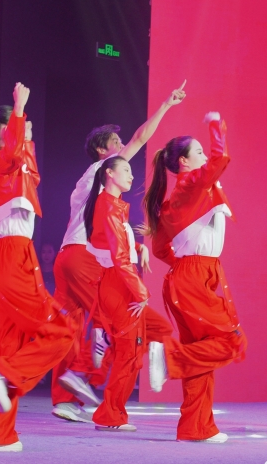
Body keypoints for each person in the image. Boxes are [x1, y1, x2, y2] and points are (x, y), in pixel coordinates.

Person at [50, 82, 186, 423]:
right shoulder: (103, 171)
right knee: (114, 321)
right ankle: (83, 375)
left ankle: (65, 400)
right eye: (115, 143)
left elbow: (106, 229)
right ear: (103, 152)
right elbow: (140, 137)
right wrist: (166, 106)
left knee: (68, 330)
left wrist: (136, 245)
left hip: (67, 258)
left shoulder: (90, 184)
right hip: (85, 258)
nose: (123, 147)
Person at [0, 83, 74, 452]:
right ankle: (3, 374)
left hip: (11, 260)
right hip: (14, 259)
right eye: (22, 124)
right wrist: (18, 107)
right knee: (62, 331)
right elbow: (15, 150)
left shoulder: (16, 163)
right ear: (4, 131)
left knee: (11, 346)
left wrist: (20, 126)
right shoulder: (1, 161)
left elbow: (23, 154)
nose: (28, 128)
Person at [144, 112, 246, 444]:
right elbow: (221, 159)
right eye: (198, 152)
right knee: (231, 342)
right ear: (184, 162)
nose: (205, 157)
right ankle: (169, 357)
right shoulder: (191, 184)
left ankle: (195, 427)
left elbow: (160, 248)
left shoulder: (182, 195)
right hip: (193, 276)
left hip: (189, 275)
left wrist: (184, 265)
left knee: (201, 354)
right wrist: (216, 125)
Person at [82, 156, 174, 431]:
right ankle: (110, 416)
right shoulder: (109, 207)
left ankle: (150, 360)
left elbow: (114, 244)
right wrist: (141, 291)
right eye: (126, 170)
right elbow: (119, 257)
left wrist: (139, 248)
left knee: (159, 330)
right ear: (109, 174)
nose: (132, 176)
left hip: (119, 281)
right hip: (119, 284)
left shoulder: (113, 206)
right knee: (129, 353)